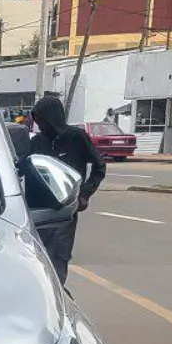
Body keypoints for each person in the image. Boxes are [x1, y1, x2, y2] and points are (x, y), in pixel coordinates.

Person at [27, 94, 106, 286]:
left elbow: (99, 167)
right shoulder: (37, 142)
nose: (40, 124)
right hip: (39, 210)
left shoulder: (77, 138)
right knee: (37, 256)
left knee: (60, 255)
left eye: (43, 119)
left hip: (66, 211)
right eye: (37, 119)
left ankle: (58, 294)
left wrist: (85, 194)